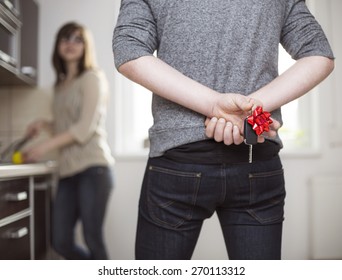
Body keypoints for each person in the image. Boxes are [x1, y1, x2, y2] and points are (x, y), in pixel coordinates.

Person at [112, 0, 334, 260]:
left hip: (179, 159)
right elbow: (320, 55)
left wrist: (218, 106)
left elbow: (129, 50)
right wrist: (251, 110)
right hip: (255, 150)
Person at [24, 22, 115, 260]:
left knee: (92, 237)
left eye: (77, 39)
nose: (70, 43)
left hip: (93, 169)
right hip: (67, 172)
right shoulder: (60, 86)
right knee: (60, 241)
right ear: (58, 46)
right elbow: (65, 128)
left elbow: (83, 129)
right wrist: (45, 125)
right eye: (65, 38)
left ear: (86, 47)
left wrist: (42, 147)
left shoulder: (93, 78)